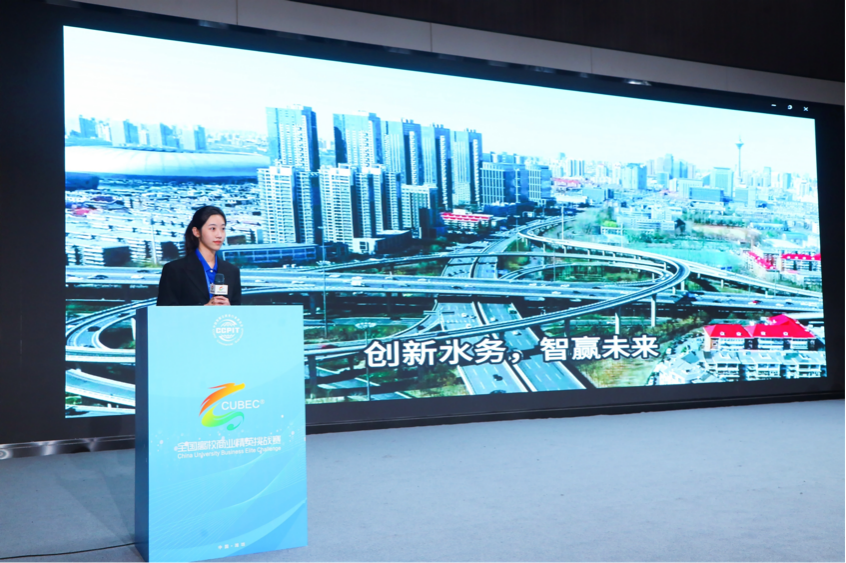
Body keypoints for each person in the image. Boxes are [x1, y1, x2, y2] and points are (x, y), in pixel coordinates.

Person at [157, 206, 242, 306]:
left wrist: (230, 309)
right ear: (196, 232)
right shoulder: (175, 270)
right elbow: (165, 312)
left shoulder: (232, 271)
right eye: (212, 228)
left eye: (223, 229)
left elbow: (237, 310)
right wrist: (203, 310)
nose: (219, 235)